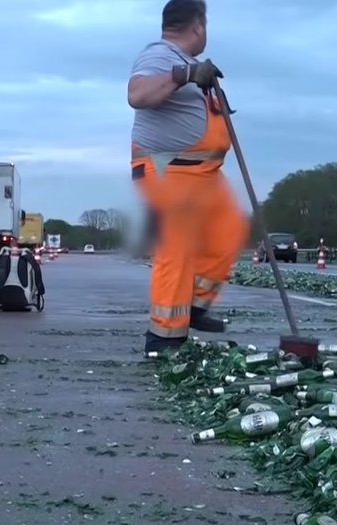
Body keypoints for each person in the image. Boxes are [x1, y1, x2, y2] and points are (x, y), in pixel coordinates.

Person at [127, 0, 249, 355]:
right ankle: (164, 339)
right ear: (198, 25)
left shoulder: (191, 64)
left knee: (229, 231)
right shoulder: (161, 56)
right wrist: (182, 75)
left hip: (204, 174)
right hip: (168, 170)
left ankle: (193, 306)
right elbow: (136, 94)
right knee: (176, 248)